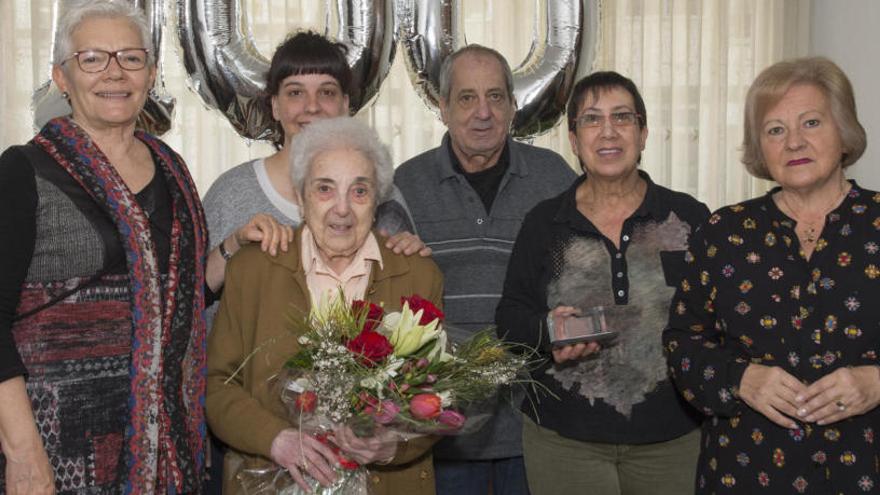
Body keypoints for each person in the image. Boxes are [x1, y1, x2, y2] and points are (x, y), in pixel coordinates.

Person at [0, 1, 286, 493]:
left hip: (168, 447)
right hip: (57, 447)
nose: (114, 72)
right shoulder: (24, 172)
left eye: (130, 58)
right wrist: (23, 454)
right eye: (93, 58)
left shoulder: (172, 171)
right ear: (62, 78)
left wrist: (234, 246)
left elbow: (180, 298)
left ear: (151, 74)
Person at [663, 56, 879, 493]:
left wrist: (877, 381)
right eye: (775, 130)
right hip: (745, 470)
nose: (794, 142)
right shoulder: (722, 232)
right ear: (760, 148)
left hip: (864, 468)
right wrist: (737, 378)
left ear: (844, 132)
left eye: (811, 123)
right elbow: (682, 343)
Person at [495, 71, 708, 495]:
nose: (608, 131)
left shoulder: (688, 218)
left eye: (622, 117)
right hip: (565, 442)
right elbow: (509, 319)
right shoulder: (545, 223)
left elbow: (717, 320)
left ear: (644, 133)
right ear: (573, 140)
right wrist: (550, 331)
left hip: (673, 439)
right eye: (591, 119)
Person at [207, 116, 444, 495]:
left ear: (378, 201)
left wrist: (393, 443)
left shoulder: (418, 275)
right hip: (272, 483)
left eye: (360, 191)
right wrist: (274, 438)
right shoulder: (252, 270)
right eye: (325, 189)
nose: (342, 209)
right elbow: (218, 385)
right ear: (300, 199)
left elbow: (436, 397)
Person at [394, 44, 576, 494]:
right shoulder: (405, 184)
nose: (483, 113)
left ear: (513, 106)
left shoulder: (554, 178)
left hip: (536, 428)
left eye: (496, 97)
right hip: (443, 431)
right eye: (467, 98)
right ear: (443, 107)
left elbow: (581, 283)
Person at [201, 31, 426, 273]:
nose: (312, 106)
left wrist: (410, 254)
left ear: (345, 105)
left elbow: (402, 290)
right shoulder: (231, 193)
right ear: (275, 106)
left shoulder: (382, 195)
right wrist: (233, 245)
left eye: (327, 92)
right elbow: (195, 294)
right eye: (295, 93)